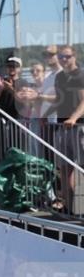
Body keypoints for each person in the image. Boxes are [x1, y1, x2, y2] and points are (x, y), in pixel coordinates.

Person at [52, 46, 84, 214]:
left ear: (74, 56)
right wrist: (46, 115)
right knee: (64, 170)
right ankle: (68, 208)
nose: (64, 60)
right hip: (62, 127)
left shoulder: (80, 75)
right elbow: (58, 99)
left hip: (78, 127)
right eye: (61, 57)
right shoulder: (59, 77)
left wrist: (74, 117)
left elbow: (83, 101)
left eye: (67, 56)